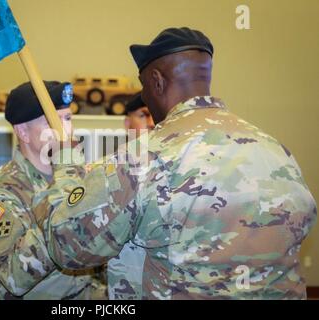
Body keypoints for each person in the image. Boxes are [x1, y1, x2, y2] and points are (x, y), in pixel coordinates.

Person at [34, 27, 317, 299]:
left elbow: (68, 246)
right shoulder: (275, 151)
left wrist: (67, 168)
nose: (144, 97)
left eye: (144, 88)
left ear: (156, 81)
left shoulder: (141, 159)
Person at [0, 81, 107, 300]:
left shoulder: (80, 178)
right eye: (52, 122)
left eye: (67, 119)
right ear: (23, 132)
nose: (65, 131)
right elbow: (15, 277)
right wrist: (64, 208)